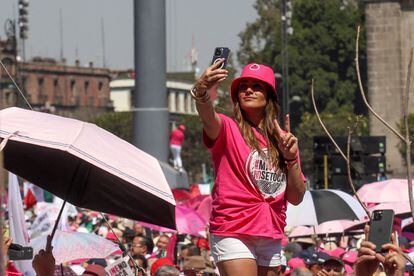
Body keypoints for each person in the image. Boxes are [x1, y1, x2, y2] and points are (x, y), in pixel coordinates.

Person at [191, 59, 306, 276]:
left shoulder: (285, 140)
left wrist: (291, 159)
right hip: (233, 229)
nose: (249, 90)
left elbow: (296, 197)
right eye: (243, 87)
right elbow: (207, 115)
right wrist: (202, 89)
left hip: (270, 231)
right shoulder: (227, 127)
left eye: (257, 86)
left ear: (269, 96)